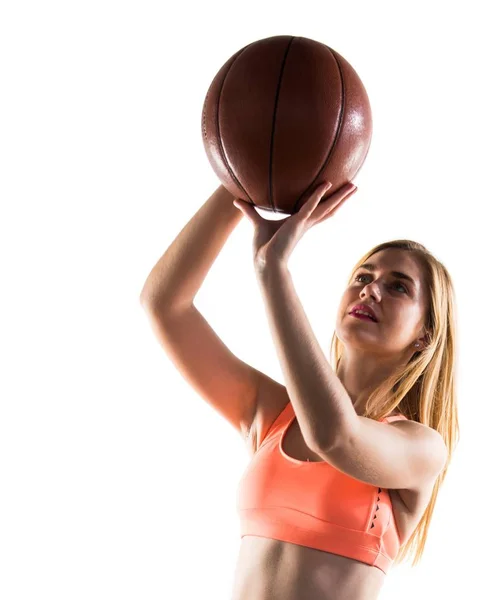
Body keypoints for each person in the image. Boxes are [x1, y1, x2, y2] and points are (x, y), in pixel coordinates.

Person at [140, 182, 459, 600]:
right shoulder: (271, 415)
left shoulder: (422, 447)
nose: (370, 288)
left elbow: (334, 436)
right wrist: (240, 180)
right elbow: (166, 304)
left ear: (425, 334)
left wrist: (273, 272)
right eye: (364, 276)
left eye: (398, 286)